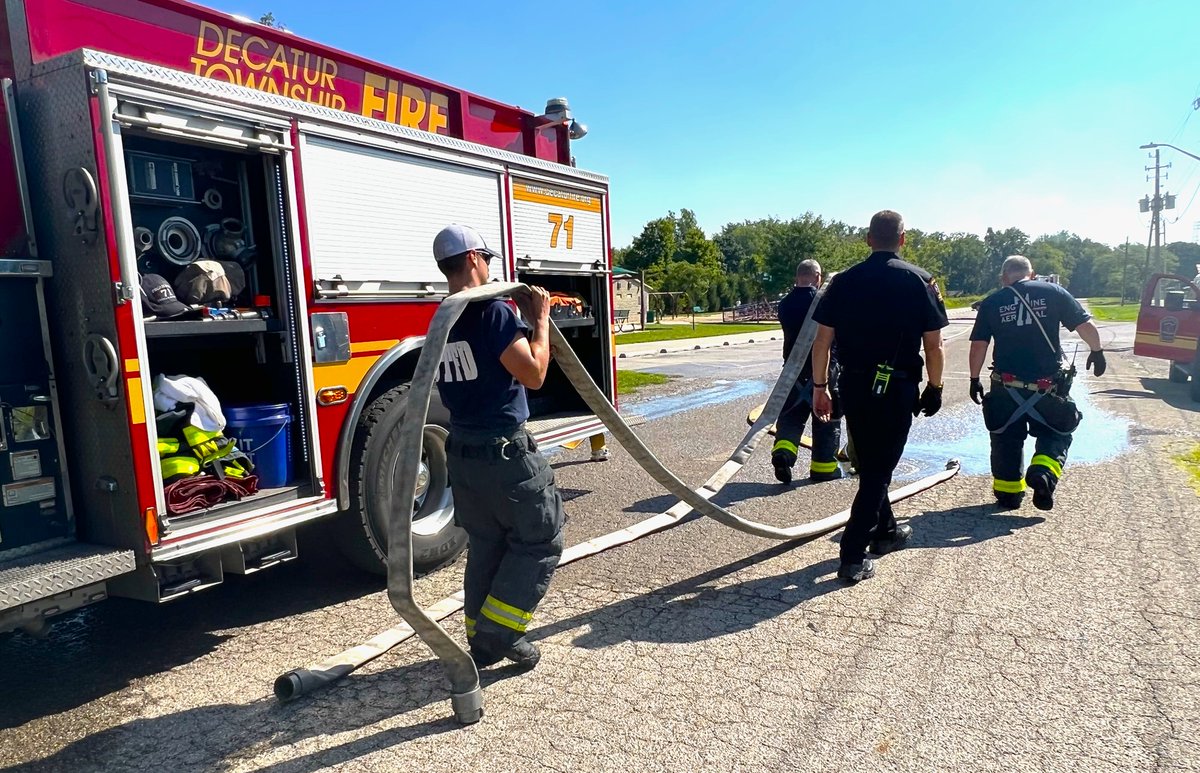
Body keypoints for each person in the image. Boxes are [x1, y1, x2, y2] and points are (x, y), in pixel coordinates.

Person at [432, 223, 564, 671]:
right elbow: (533, 374)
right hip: (505, 454)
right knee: (539, 539)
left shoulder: (443, 316)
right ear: (472, 259)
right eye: (486, 257)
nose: (490, 266)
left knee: (487, 543)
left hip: (463, 454)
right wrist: (541, 323)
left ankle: (479, 636)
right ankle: (497, 636)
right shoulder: (494, 312)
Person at [811, 210, 948, 583]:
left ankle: (886, 531)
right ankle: (853, 554)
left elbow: (822, 342)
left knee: (872, 462)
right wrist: (935, 387)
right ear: (902, 239)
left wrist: (820, 388)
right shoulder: (920, 281)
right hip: (897, 386)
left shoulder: (843, 282)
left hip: (853, 386)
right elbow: (933, 346)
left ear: (868, 238)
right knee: (879, 469)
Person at [967, 255, 1106, 511]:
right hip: (1048, 388)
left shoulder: (992, 302)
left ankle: (1008, 493)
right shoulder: (1054, 292)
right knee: (1056, 431)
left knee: (1005, 437)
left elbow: (979, 346)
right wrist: (1096, 351)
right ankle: (1043, 471)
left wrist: (974, 378)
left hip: (1006, 386)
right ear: (1032, 274)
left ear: (1003, 278)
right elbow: (1084, 325)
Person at [771, 259, 843, 484]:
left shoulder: (785, 304)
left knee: (791, 417)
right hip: (822, 370)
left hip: (792, 371)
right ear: (818, 277)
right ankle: (824, 467)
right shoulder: (826, 302)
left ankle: (784, 453)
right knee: (826, 418)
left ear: (797, 277)